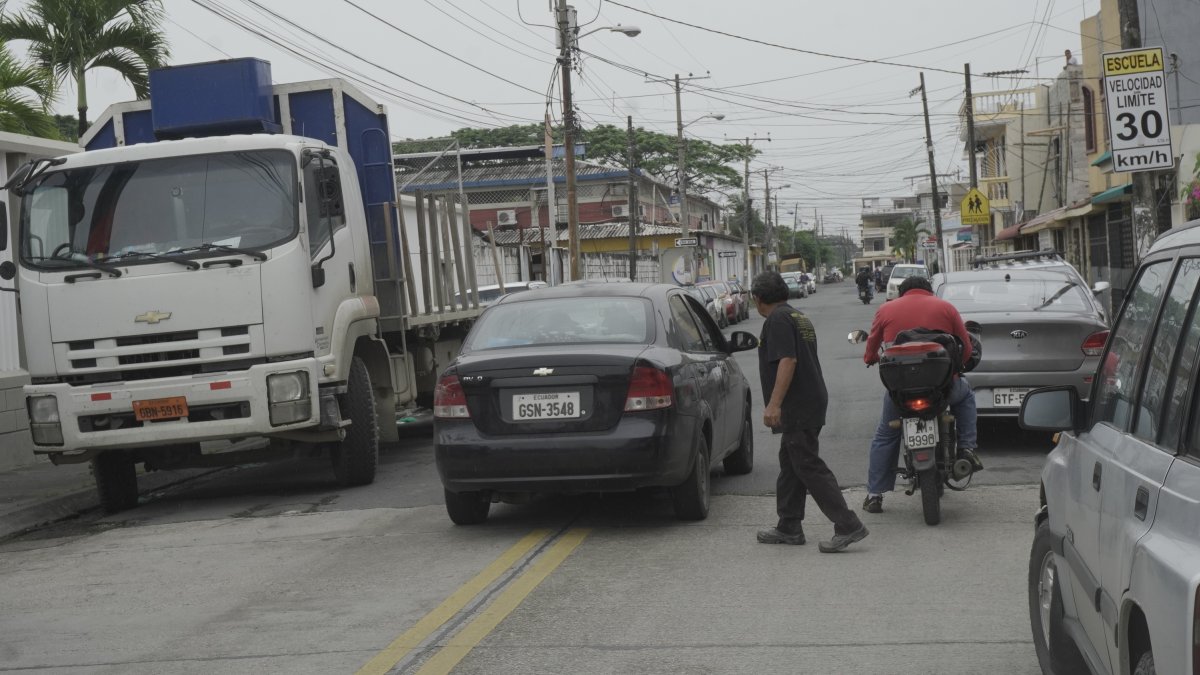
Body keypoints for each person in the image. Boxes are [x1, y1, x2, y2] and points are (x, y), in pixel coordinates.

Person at [752, 271, 869, 552]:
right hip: (810, 399)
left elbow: (788, 360)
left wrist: (774, 404)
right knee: (790, 463)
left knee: (806, 464)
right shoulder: (796, 316)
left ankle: (848, 524)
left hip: (798, 404)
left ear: (756, 299)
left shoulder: (777, 320)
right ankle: (789, 525)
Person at [861, 276, 984, 513]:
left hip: (901, 395)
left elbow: (870, 351)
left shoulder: (886, 309)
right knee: (966, 396)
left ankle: (875, 495)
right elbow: (967, 350)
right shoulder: (946, 307)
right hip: (944, 389)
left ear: (902, 293)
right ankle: (967, 448)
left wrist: (871, 359)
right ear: (928, 291)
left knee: (885, 435)